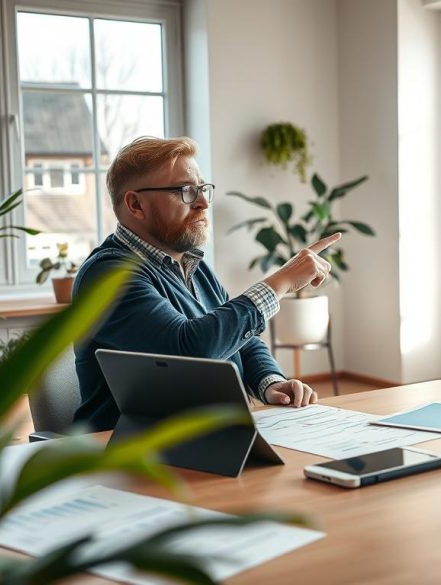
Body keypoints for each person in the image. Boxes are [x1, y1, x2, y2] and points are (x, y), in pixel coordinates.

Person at [73, 136, 338, 431]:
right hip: (131, 456)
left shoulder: (191, 265)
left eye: (202, 189)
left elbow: (241, 340)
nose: (202, 203)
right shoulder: (108, 275)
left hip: (209, 440)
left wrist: (271, 382)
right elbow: (187, 353)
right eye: (185, 191)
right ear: (136, 204)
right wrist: (281, 282)